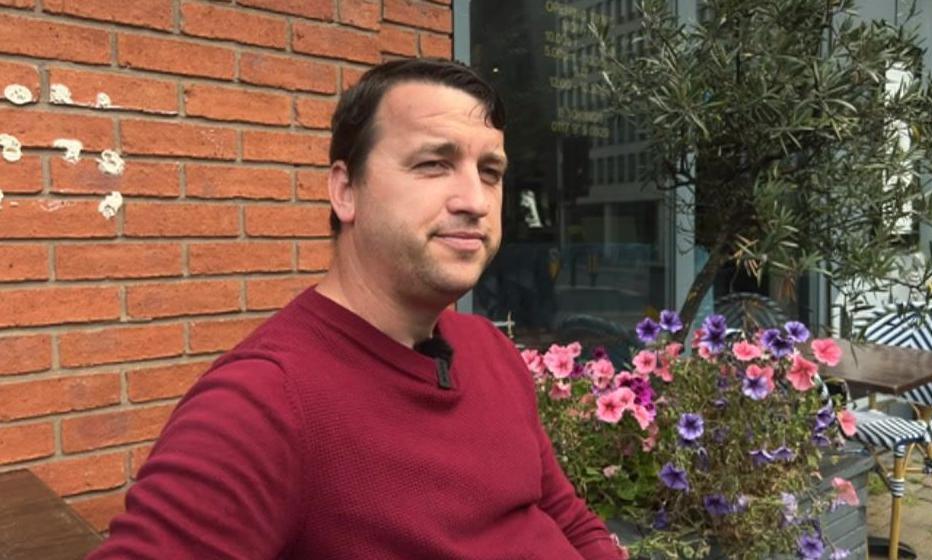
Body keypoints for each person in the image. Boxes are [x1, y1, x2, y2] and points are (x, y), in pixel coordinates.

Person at [86, 59, 625, 559]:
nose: (476, 200)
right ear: (345, 191)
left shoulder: (489, 349)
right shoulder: (264, 404)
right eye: (434, 163)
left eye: (489, 171)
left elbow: (564, 516)